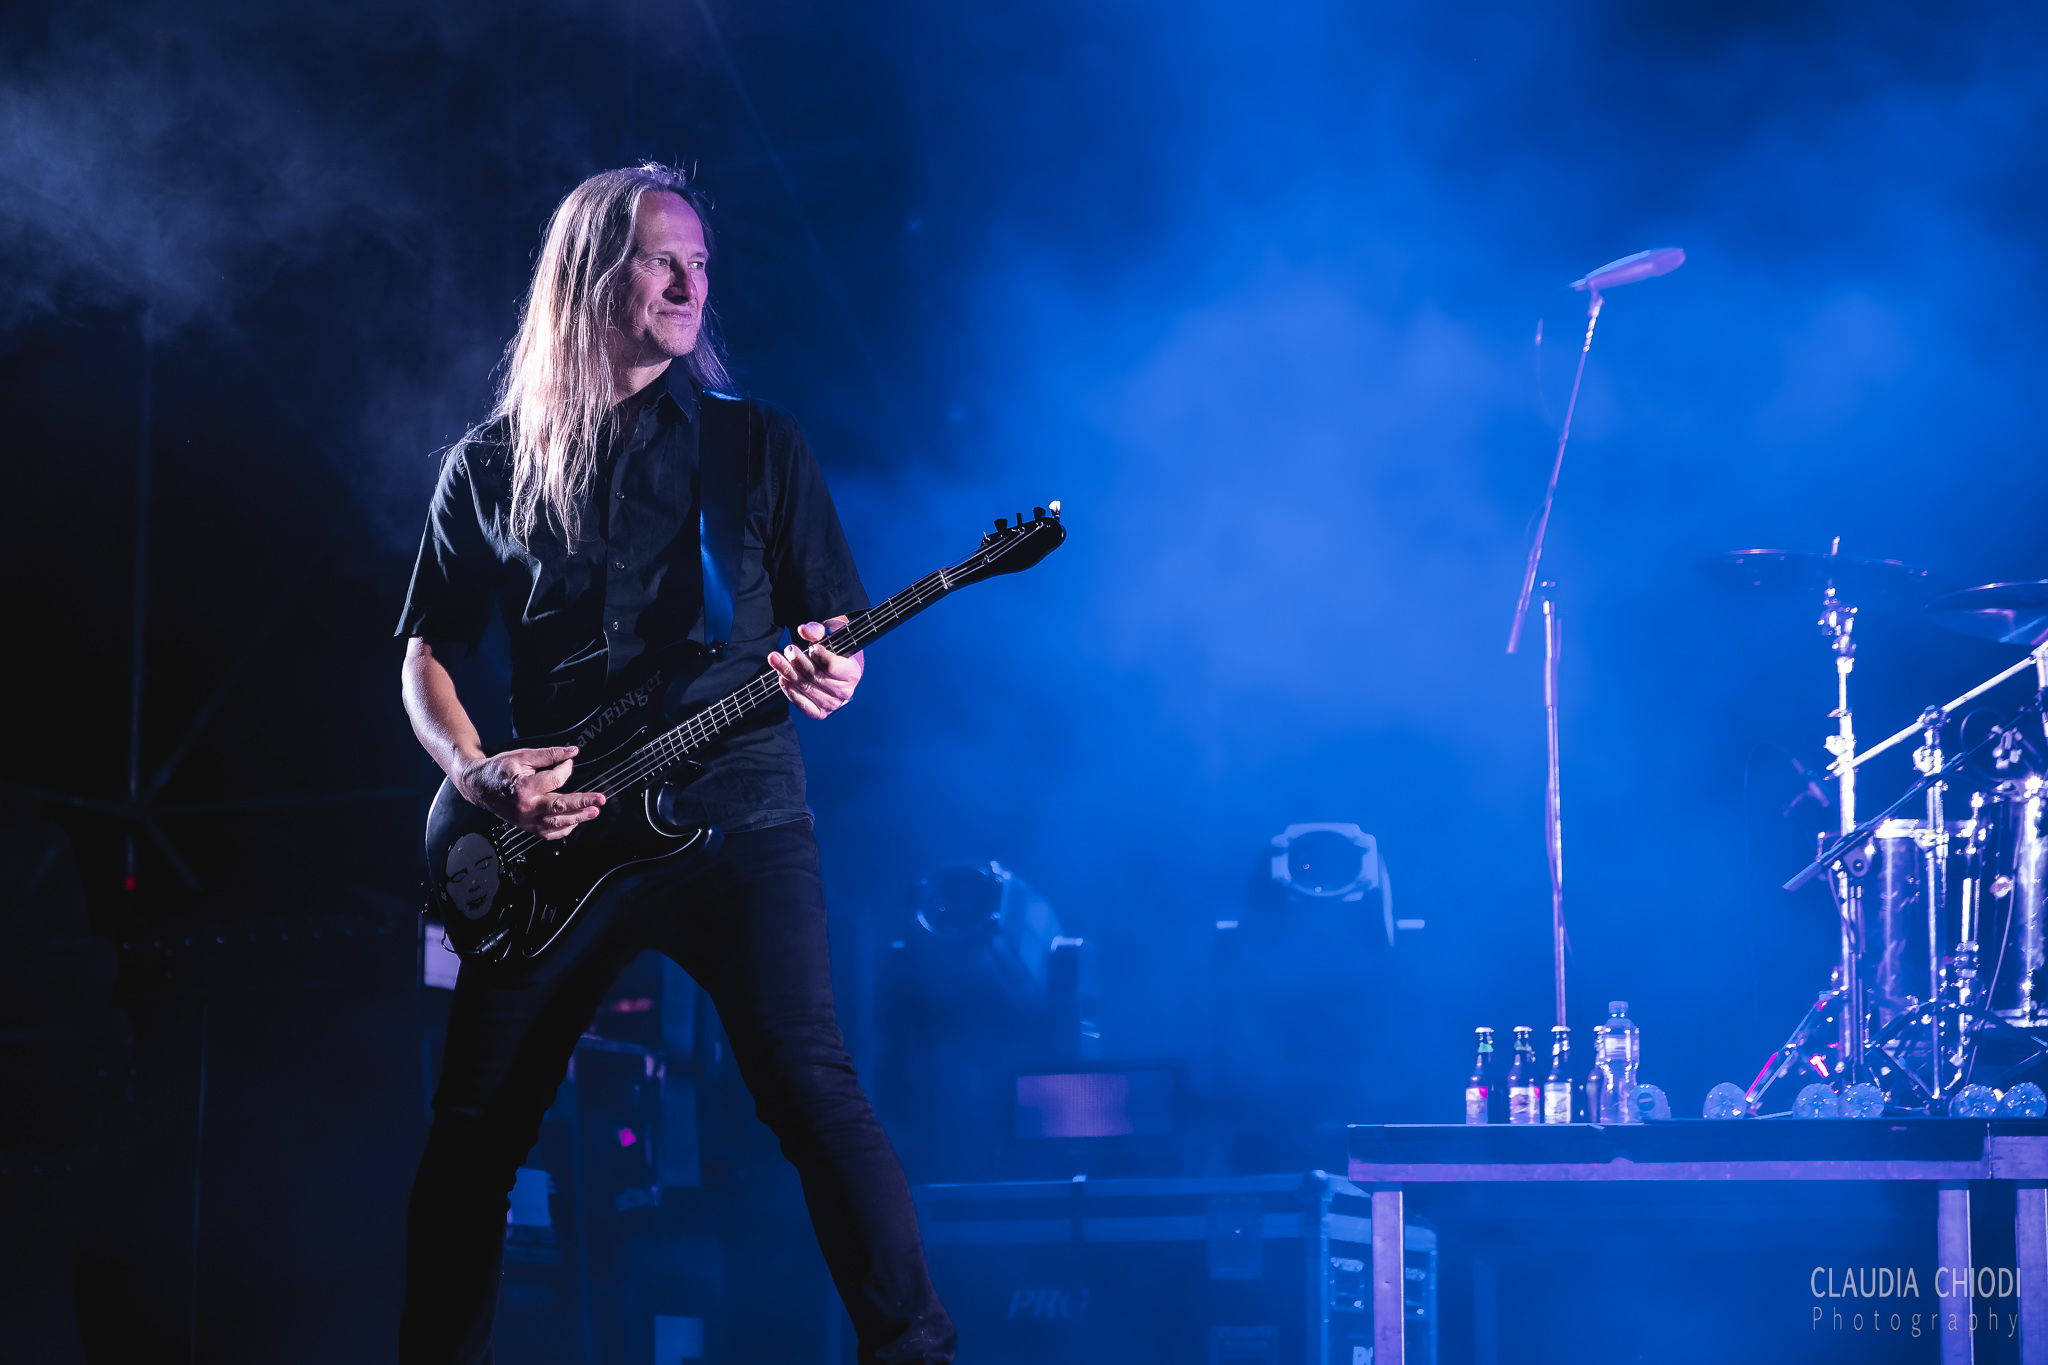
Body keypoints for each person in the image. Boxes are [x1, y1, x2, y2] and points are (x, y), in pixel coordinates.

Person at [394, 163, 954, 1365]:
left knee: (810, 1087)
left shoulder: (756, 447)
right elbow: (426, 656)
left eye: (701, 261)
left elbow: (835, 647)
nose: (691, 281)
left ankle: (917, 1354)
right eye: (662, 258)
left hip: (735, 812)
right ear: (591, 274)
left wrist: (827, 669)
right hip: (552, 843)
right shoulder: (486, 466)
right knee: (473, 1138)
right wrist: (482, 773)